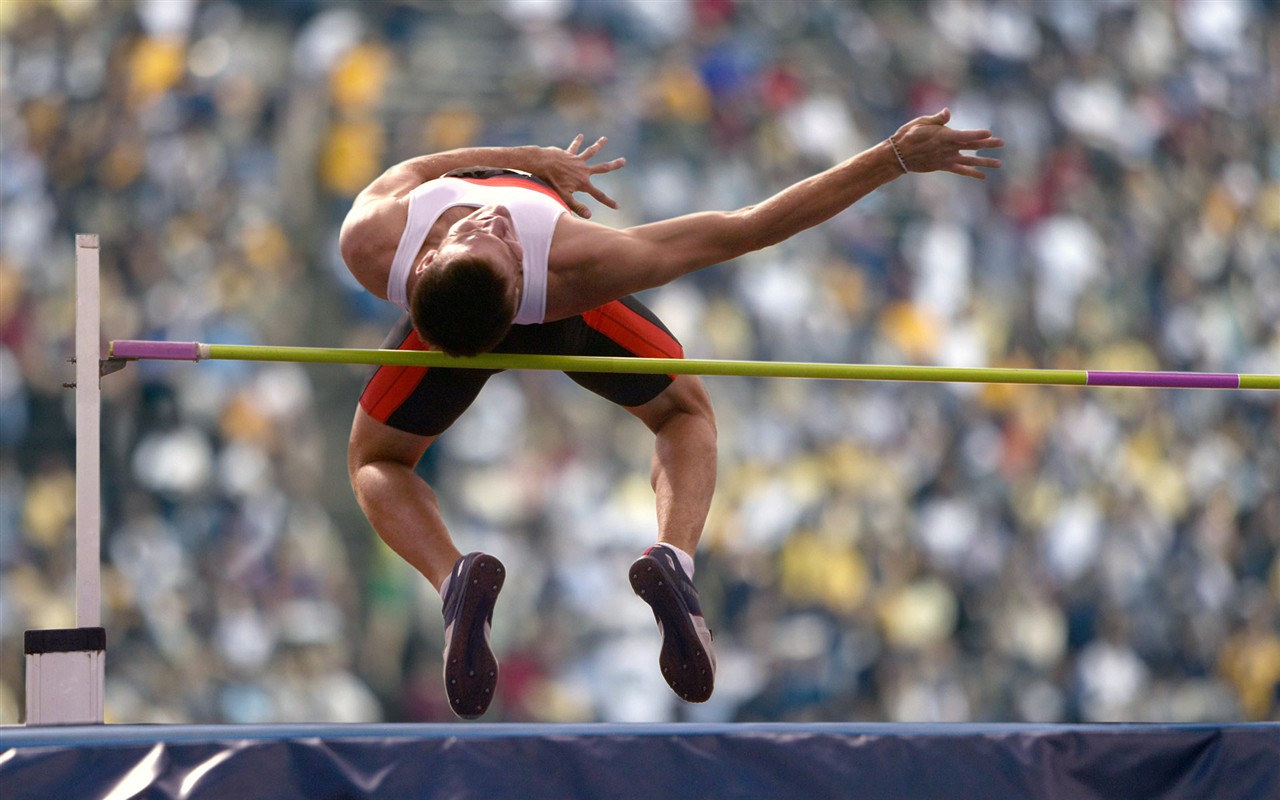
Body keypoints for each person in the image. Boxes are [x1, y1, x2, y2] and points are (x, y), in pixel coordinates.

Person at [339, 109, 1002, 719]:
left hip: (451, 330)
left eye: (496, 236)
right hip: (568, 307)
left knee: (376, 460)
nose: (499, 225)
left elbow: (419, 170)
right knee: (685, 414)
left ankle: (453, 578)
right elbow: (748, 227)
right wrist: (893, 157)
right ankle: (674, 558)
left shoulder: (371, 241)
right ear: (514, 288)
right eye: (497, 244)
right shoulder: (577, 262)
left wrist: (525, 157)